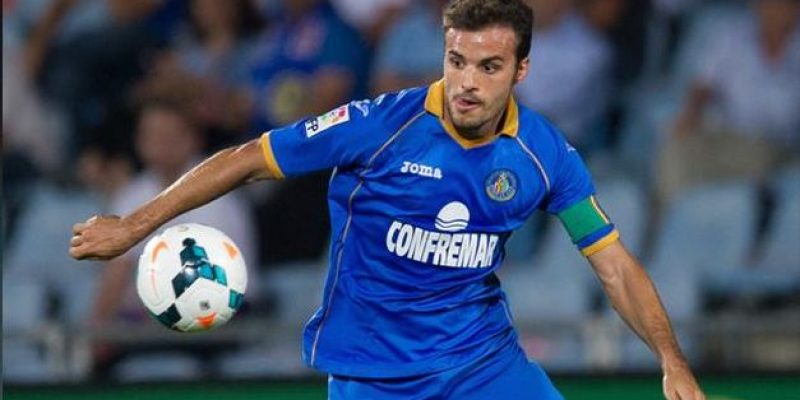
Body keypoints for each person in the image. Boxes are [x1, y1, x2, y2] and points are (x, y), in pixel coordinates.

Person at [70, 1, 705, 398]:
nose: (466, 82)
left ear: (521, 71)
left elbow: (613, 263)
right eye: (456, 61)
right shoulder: (379, 125)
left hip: (483, 366)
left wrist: (671, 361)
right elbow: (248, 159)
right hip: (373, 375)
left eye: (488, 67)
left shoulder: (544, 153)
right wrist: (134, 225)